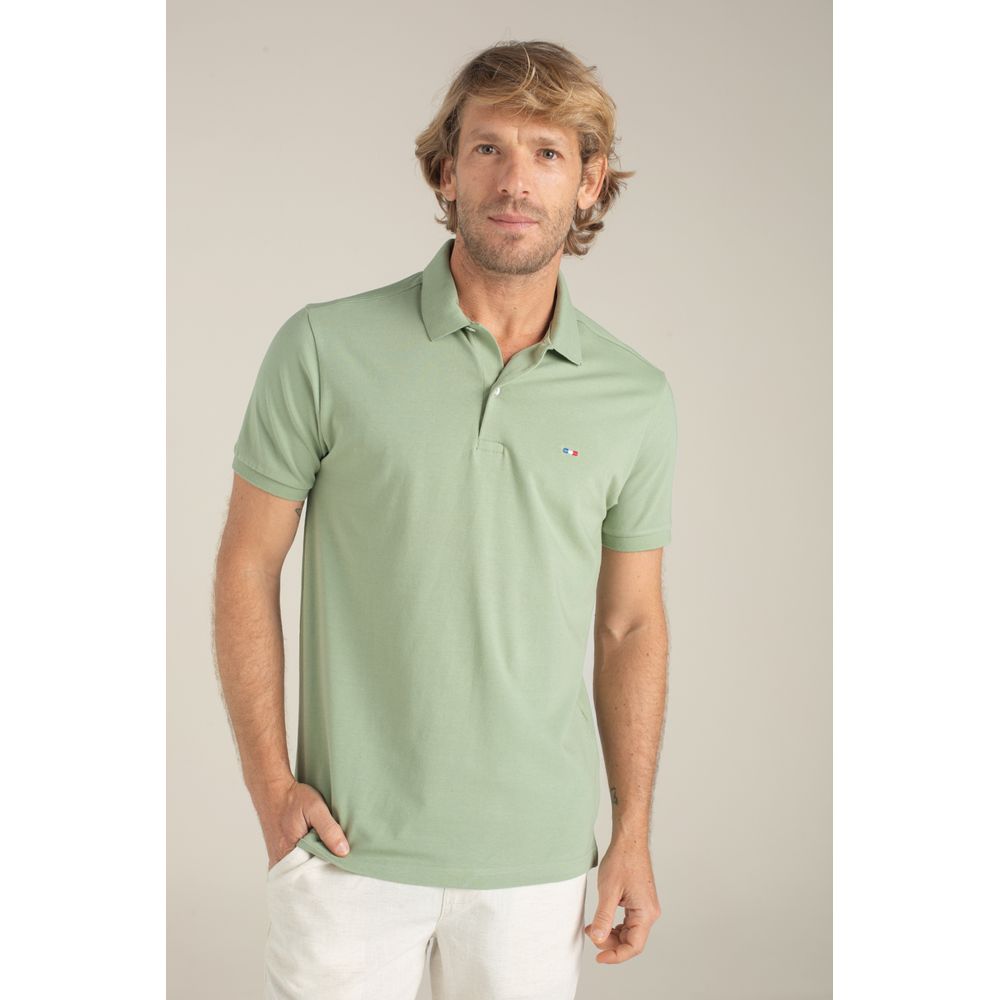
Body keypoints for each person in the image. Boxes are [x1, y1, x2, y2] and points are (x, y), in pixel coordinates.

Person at [213, 38, 678, 1000]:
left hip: (540, 864)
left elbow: (630, 623)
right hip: (347, 849)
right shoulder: (323, 348)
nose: (516, 181)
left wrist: (631, 829)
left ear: (590, 183)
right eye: (488, 148)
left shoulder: (635, 396)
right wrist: (269, 789)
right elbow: (247, 565)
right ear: (445, 172)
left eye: (548, 153)